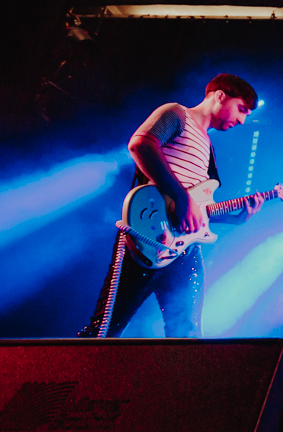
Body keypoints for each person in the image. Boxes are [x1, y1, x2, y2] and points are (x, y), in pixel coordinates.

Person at [78, 74, 264, 338]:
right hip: (144, 236)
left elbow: (196, 210)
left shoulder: (208, 148)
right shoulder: (177, 114)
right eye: (241, 109)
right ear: (220, 95)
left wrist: (236, 219)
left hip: (182, 249)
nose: (243, 120)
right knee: (105, 329)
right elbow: (140, 144)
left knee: (186, 335)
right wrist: (180, 195)